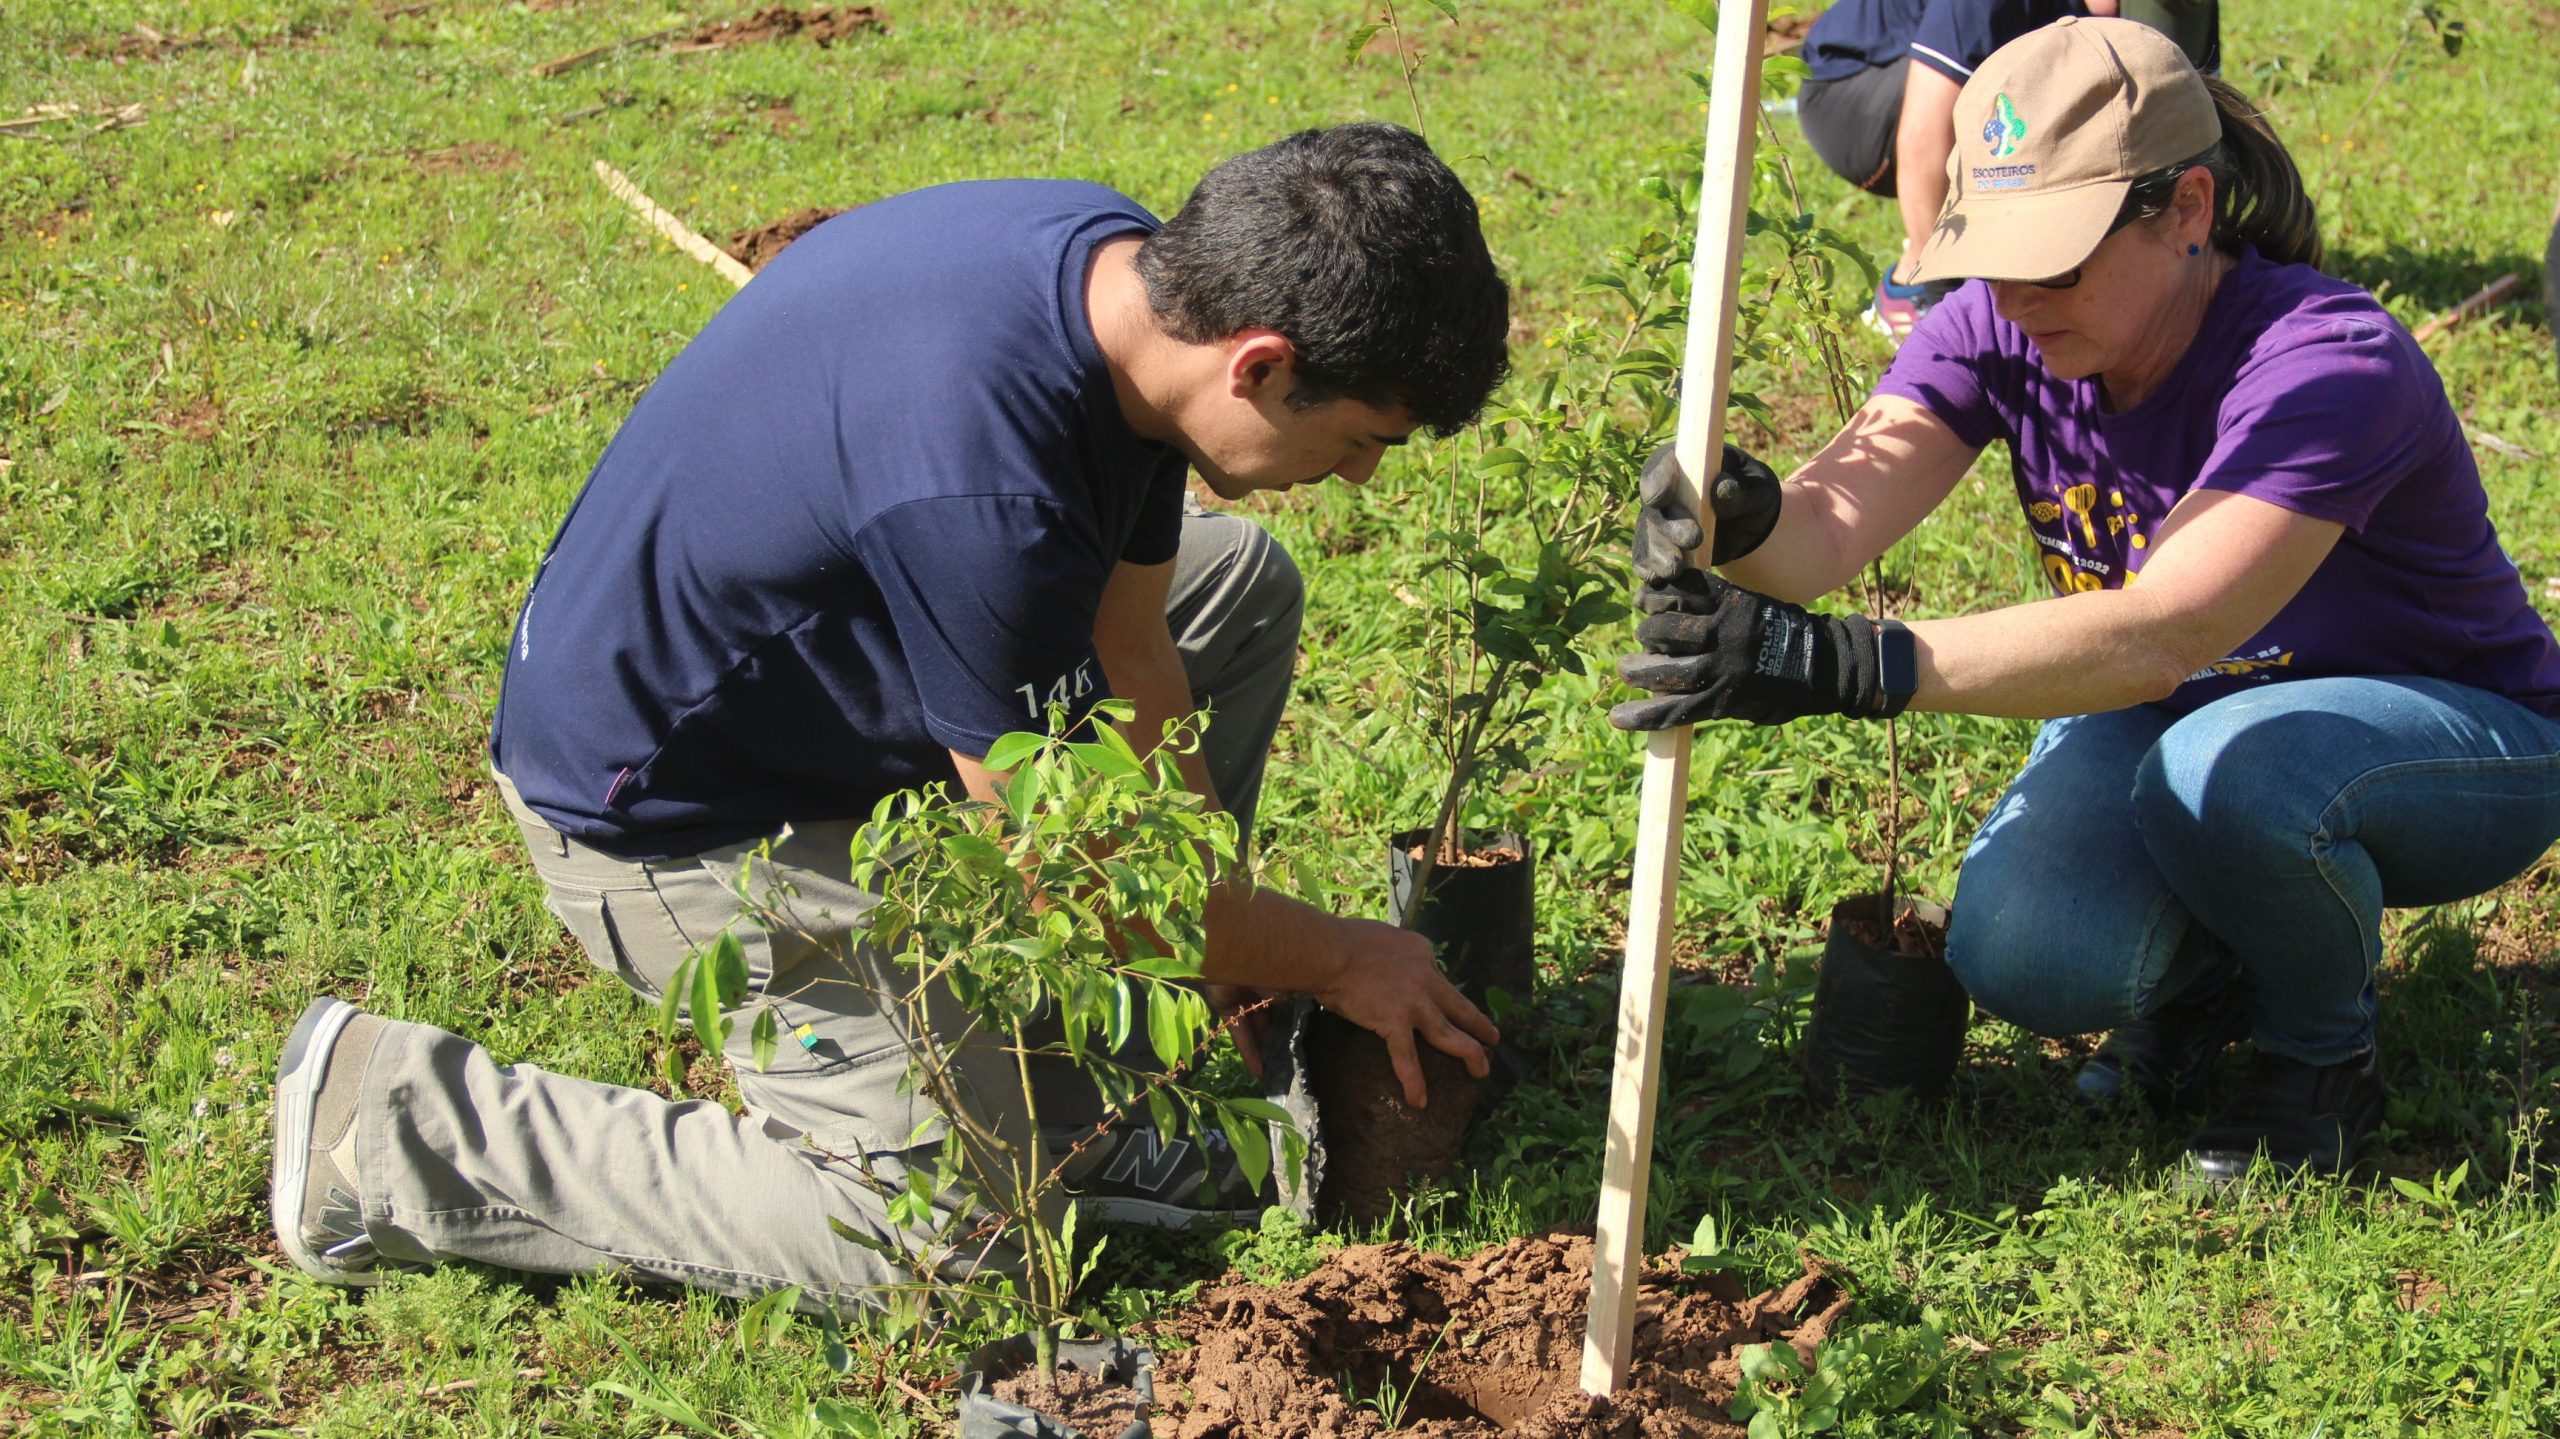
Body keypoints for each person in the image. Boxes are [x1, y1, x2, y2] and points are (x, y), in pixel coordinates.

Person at [269, 123, 1508, 1311]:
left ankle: (1087, 1093)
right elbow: (1078, 871)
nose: (1360, 477)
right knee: (948, 1244)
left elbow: (1130, 643)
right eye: (1360, 439)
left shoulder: (1115, 276)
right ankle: (396, 1125)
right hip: (673, 819)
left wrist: (1216, 936)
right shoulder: (988, 489)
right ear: (1263, 364)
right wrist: (1337, 952)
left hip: (826, 662)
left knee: (1230, 586)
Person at [1618, 18, 2560, 1180]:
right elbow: (1821, 536)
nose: (2014, 295)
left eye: (2053, 258)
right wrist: (1743, 513)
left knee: (2234, 770)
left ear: (2187, 211)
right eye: (1992, 253)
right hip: (2182, 717)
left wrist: (1836, 665)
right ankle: (2220, 959)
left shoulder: (2326, 363)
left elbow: (2164, 631)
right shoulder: (1999, 324)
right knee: (2027, 948)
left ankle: (2320, 1056)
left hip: (2453, 739)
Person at [1794, 0, 2218, 337]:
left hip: (1930, 88)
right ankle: (1912, 288)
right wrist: (1947, 298)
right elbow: (1924, 134)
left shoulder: (2177, 8)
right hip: (1854, 97)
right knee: (2011, 99)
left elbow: (2191, 125)